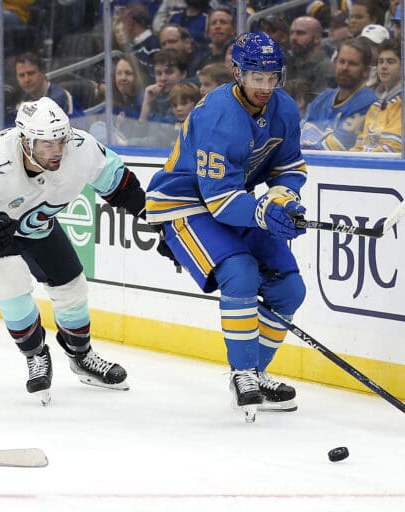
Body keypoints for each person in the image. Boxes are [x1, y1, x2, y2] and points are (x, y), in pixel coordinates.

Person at [0, 97, 153, 404]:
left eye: (60, 140)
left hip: (36, 224)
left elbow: (124, 188)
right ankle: (35, 355)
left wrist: (158, 223)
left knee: (73, 287)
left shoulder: (80, 148)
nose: (58, 150)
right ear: (25, 140)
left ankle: (82, 356)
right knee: (11, 284)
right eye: (47, 144)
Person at [146, 33, 308, 422]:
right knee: (240, 272)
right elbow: (218, 200)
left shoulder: (283, 109)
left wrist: (283, 201)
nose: (265, 87)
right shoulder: (220, 114)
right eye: (256, 77)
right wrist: (263, 213)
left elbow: (289, 169)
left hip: (234, 200)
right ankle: (242, 374)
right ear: (237, 72)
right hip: (183, 203)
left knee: (290, 288)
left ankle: (256, 372)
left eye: (273, 77)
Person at [351, 38, 405, 159]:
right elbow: (360, 145)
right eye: (380, 62)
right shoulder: (377, 105)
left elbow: (394, 151)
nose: (383, 67)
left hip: (403, 173)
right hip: (373, 170)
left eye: (390, 62)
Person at [300, 38, 377, 150]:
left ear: (366, 71)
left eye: (352, 64)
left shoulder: (369, 103)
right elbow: (297, 134)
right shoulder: (323, 97)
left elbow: (333, 149)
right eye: (341, 61)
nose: (345, 68)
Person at [14, 52, 85, 121]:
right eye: (21, 75)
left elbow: (77, 127)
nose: (26, 80)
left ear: (43, 72)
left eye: (31, 73)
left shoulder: (60, 98)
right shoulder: (22, 99)